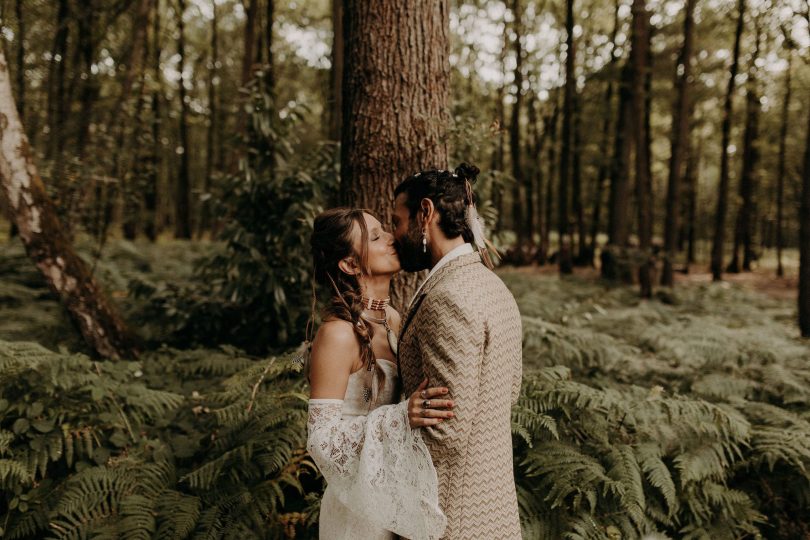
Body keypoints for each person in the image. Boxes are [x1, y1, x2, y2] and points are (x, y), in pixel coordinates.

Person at [391, 163, 523, 539]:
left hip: (450, 517)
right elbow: (509, 390)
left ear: (426, 213)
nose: (395, 234)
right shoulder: (493, 286)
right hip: (494, 512)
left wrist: (384, 433)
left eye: (397, 221)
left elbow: (446, 431)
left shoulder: (448, 298)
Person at [306, 207, 450, 540]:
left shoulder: (395, 320)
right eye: (375, 236)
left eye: (386, 229)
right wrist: (402, 417)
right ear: (350, 264)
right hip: (356, 511)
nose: (391, 238)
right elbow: (320, 439)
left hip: (398, 497)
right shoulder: (338, 334)